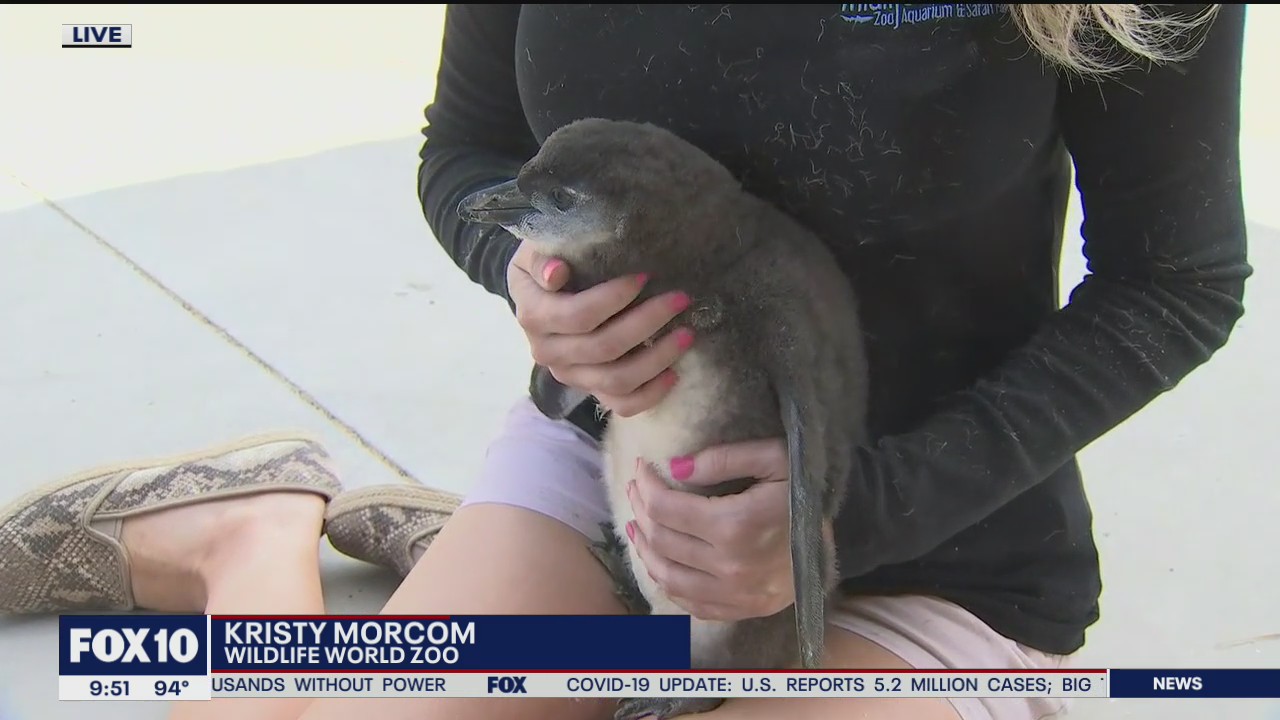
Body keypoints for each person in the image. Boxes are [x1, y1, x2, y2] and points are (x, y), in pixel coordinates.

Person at [0, 4, 1250, 720]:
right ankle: (250, 536)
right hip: (608, 473)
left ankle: (469, 579)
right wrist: (520, 268)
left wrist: (841, 520)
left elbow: (1174, 278)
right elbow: (469, 148)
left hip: (926, 542)